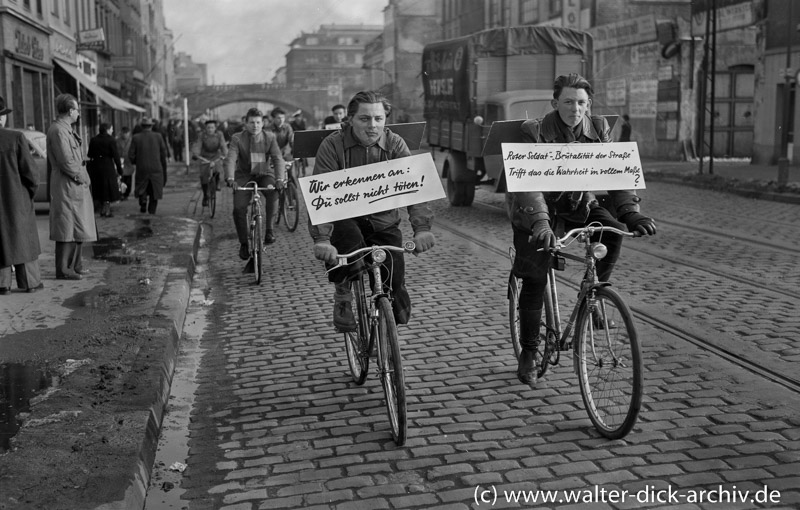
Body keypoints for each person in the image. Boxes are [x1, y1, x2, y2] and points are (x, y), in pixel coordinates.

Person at [506, 74, 657, 386]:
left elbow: (614, 171)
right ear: (555, 103)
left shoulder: (599, 129)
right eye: (568, 102)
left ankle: (594, 291)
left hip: (578, 204)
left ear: (589, 105)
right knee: (535, 275)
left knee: (612, 231)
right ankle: (529, 352)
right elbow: (529, 185)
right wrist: (541, 224)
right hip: (537, 210)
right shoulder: (533, 132)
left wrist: (630, 212)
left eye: (581, 103)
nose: (575, 109)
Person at [310, 90, 436, 331]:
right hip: (344, 219)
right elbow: (322, 194)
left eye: (379, 119)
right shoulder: (332, 145)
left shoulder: (395, 144)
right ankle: (343, 294)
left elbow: (414, 187)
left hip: (383, 221)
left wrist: (421, 229)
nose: (372, 126)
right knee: (349, 250)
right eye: (364, 119)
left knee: (394, 283)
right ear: (350, 120)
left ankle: (387, 327)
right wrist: (323, 238)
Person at [224, 107, 285, 270]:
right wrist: (230, 178)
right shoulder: (238, 138)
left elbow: (278, 159)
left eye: (258, 122)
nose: (255, 126)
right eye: (251, 122)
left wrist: (280, 179)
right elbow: (231, 159)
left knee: (273, 192)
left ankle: (269, 230)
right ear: (246, 123)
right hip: (244, 175)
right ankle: (244, 243)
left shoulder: (270, 137)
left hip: (264, 172)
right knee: (238, 208)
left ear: (262, 123)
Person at [47, 93, 97, 281]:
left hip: (73, 186)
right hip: (68, 185)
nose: (79, 113)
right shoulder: (59, 131)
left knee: (77, 227)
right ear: (70, 111)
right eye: (77, 110)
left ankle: (75, 265)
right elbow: (66, 161)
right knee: (66, 228)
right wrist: (82, 176)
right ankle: (64, 269)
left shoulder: (65, 129)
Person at [0, 95, 43, 293]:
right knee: (23, 240)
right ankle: (29, 283)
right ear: (2, 118)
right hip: (17, 199)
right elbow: (32, 174)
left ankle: (2, 284)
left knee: (2, 241)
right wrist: (29, 193)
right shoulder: (15, 138)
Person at [128, 117, 168, 214]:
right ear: (151, 126)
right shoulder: (158, 136)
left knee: (142, 186)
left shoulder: (136, 137)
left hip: (142, 167)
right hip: (156, 167)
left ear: (142, 126)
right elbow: (164, 152)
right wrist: (162, 163)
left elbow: (131, 154)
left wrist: (136, 162)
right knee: (155, 189)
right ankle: (152, 211)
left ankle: (143, 200)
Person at [87, 123, 123, 217]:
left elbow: (90, 154)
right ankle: (106, 210)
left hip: (96, 166)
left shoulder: (93, 140)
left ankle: (102, 209)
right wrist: (120, 170)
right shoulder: (111, 140)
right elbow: (116, 156)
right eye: (111, 129)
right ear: (107, 130)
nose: (112, 131)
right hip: (108, 166)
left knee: (99, 188)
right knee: (108, 188)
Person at [191, 119, 228, 206]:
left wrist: (226, 154)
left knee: (218, 168)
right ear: (206, 128)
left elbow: (223, 145)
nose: (210, 129)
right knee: (204, 176)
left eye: (212, 128)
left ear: (215, 128)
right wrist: (196, 154)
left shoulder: (219, 134)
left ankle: (217, 183)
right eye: (208, 128)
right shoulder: (202, 135)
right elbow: (198, 145)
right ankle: (205, 196)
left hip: (216, 155)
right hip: (205, 157)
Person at [116, 126, 134, 200]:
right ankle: (122, 194)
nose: (125, 135)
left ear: (129, 133)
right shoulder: (117, 141)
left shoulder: (132, 141)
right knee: (121, 178)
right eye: (124, 133)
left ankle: (127, 193)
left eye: (127, 133)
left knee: (128, 179)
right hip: (121, 162)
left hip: (129, 162)